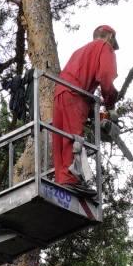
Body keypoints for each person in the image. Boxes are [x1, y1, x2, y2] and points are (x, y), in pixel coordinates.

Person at [52, 25, 120, 196]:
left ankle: (62, 178)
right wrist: (110, 105)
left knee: (61, 138)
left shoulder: (80, 51)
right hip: (76, 94)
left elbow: (80, 78)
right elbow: (105, 77)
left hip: (60, 91)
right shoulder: (105, 47)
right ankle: (70, 179)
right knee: (74, 137)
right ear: (110, 36)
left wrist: (93, 111)